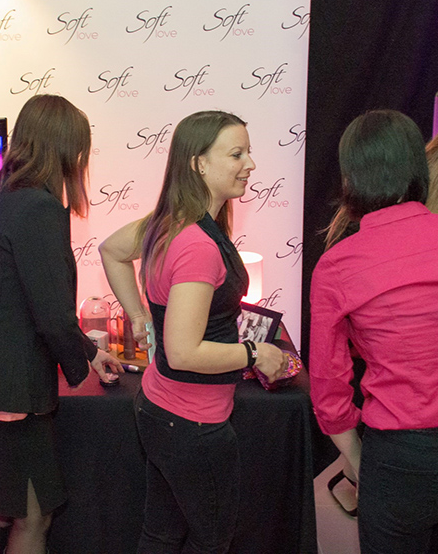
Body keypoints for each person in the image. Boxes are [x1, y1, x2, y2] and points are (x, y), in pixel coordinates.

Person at [310, 110, 438, 553]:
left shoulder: (339, 265)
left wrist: (357, 459)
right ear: (419, 165)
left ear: (350, 178)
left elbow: (328, 386)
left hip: (403, 455)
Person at [0, 94, 122, 554]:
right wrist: (81, 368)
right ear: (64, 150)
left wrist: (90, 351)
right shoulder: (39, 208)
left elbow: (19, 300)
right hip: (7, 392)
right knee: (35, 515)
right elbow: (52, 315)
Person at [99, 110, 287, 553]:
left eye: (249, 153)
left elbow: (111, 250)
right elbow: (184, 352)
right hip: (192, 424)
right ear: (199, 163)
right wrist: (255, 353)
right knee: (211, 542)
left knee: (162, 534)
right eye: (236, 154)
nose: (250, 164)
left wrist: (140, 316)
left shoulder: (169, 221)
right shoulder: (197, 243)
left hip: (162, 410)